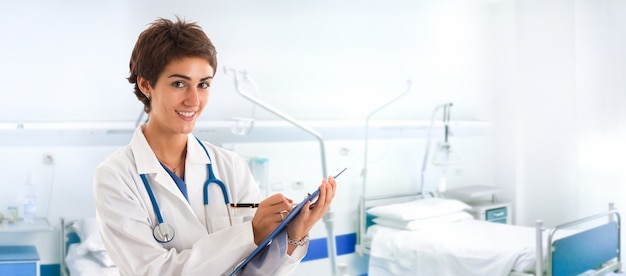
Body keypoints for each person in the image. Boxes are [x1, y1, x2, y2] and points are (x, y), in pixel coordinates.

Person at [93, 17, 337, 275]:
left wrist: (293, 236)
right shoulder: (116, 176)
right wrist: (249, 233)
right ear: (146, 85)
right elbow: (153, 271)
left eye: (203, 84)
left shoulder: (230, 166)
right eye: (179, 83)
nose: (194, 100)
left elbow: (256, 266)